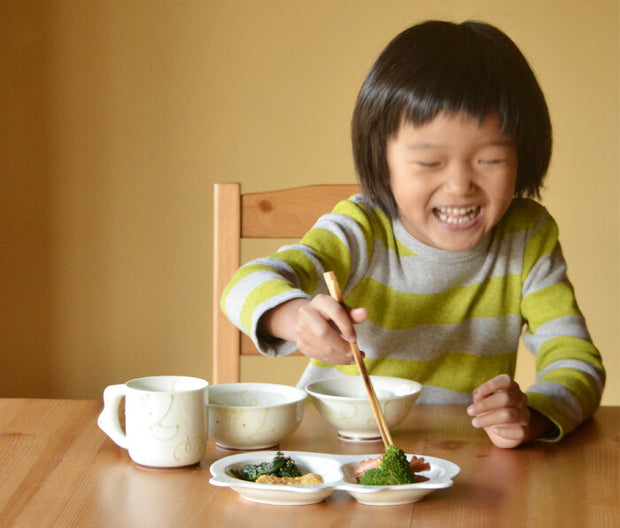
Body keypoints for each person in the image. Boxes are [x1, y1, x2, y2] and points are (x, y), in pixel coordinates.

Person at [221, 20, 605, 448]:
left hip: (463, 460)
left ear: (524, 154)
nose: (461, 186)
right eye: (429, 163)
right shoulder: (361, 229)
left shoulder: (526, 236)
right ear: (381, 162)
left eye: (491, 159)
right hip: (340, 452)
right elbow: (243, 284)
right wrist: (293, 318)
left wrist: (533, 413)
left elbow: (575, 359)